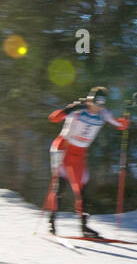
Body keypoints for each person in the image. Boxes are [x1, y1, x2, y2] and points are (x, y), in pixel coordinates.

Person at [45, 86, 129, 239]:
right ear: (90, 99)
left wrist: (126, 116)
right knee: (60, 187)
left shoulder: (103, 113)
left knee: (82, 190)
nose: (96, 107)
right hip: (63, 148)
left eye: (101, 104)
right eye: (95, 102)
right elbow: (54, 118)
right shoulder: (78, 109)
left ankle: (84, 227)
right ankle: (52, 223)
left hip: (80, 154)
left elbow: (121, 125)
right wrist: (68, 110)